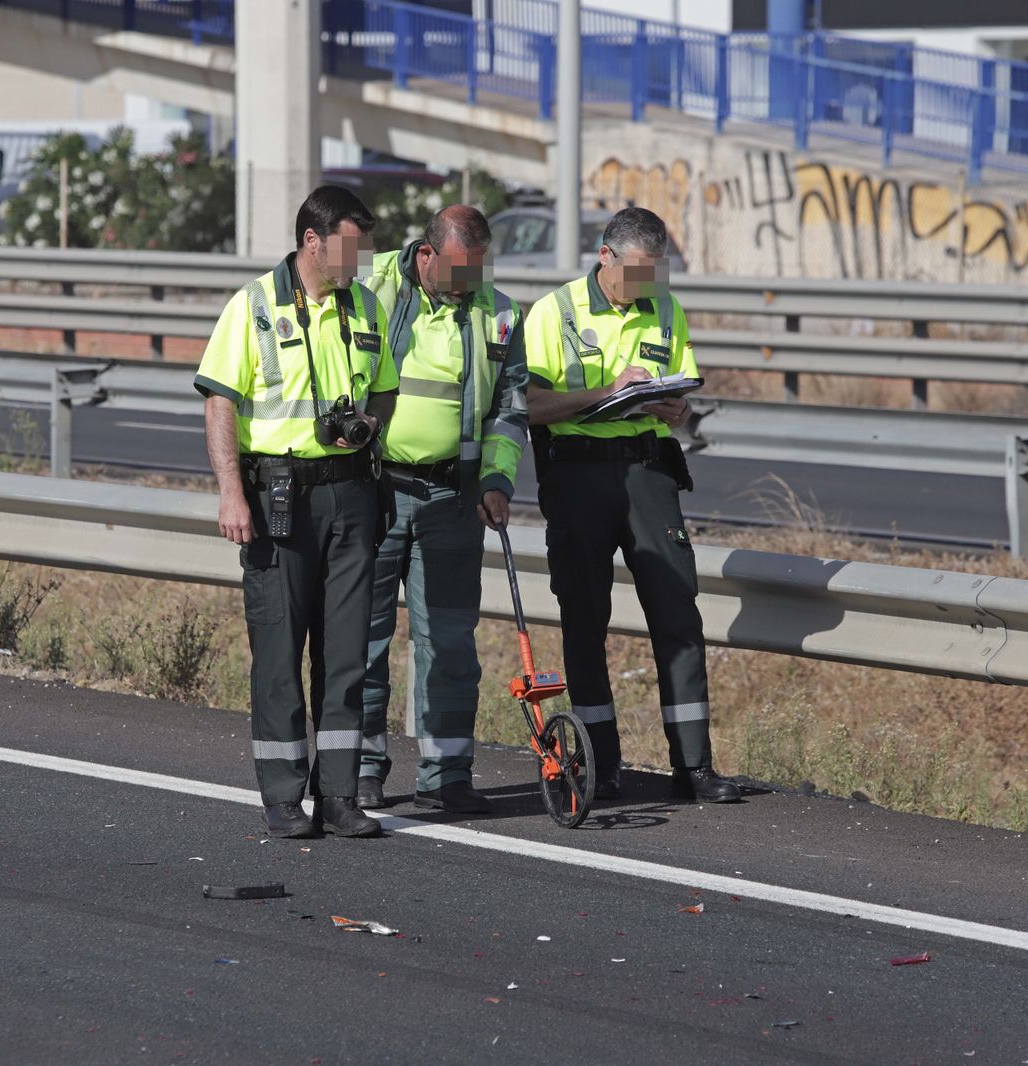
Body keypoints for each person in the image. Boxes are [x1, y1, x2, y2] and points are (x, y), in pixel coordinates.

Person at [195, 185, 400, 838]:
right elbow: (220, 403)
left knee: (346, 656)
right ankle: (284, 794)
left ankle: (339, 797)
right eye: (349, 244)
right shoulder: (252, 307)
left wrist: (369, 428)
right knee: (280, 652)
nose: (359, 259)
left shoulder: (363, 305)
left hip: (352, 491)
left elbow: (387, 390)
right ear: (313, 241)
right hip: (279, 493)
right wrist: (231, 490)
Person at [522, 206, 742, 805]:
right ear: (605, 257)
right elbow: (530, 406)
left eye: (656, 273)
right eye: (636, 273)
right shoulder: (553, 313)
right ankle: (602, 764)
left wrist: (678, 411)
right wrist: (603, 393)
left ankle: (693, 767)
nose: (646, 286)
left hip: (648, 471)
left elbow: (684, 393)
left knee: (678, 613)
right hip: (577, 477)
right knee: (585, 621)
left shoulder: (665, 308)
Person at [356, 205, 529, 814]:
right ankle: (360, 770)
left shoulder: (500, 312)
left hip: (453, 499)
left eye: (478, 271)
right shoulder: (367, 284)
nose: (469, 285)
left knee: (450, 643)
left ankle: (448, 775)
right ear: (426, 254)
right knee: (361, 639)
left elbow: (509, 410)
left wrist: (498, 479)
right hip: (372, 490)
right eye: (460, 271)